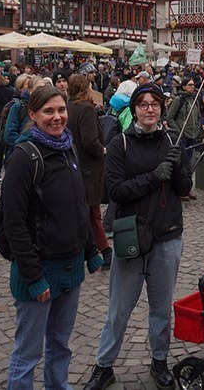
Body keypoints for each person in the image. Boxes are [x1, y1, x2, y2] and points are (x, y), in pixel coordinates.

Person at [83, 84, 192, 390]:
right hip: (131, 235)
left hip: (167, 236)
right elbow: (115, 190)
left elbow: (184, 189)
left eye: (155, 104)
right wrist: (153, 176)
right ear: (134, 109)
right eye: (142, 104)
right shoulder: (120, 144)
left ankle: (160, 361)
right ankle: (104, 366)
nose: (149, 109)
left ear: (161, 108)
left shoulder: (173, 140)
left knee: (160, 308)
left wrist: (178, 164)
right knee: (119, 309)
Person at [4, 85, 103, 389]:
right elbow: (14, 223)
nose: (57, 117)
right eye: (48, 111)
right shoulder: (24, 156)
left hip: (70, 266)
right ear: (32, 115)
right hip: (39, 269)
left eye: (61, 110)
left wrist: (90, 249)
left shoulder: (68, 147)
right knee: (27, 353)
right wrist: (34, 276)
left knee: (61, 344)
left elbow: (77, 207)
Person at [66, 74, 113, 271]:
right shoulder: (85, 108)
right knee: (92, 212)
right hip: (88, 167)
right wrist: (103, 150)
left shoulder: (69, 107)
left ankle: (95, 250)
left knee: (86, 211)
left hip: (75, 165)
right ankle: (103, 251)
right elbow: (90, 141)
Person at [165, 77, 202, 201]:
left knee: (189, 165)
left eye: (193, 85)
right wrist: (178, 131)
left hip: (192, 135)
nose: (193, 87)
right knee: (181, 165)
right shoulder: (178, 99)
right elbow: (169, 117)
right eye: (190, 85)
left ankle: (188, 188)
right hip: (182, 136)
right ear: (184, 86)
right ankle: (180, 189)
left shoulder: (195, 99)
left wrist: (197, 128)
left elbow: (198, 116)